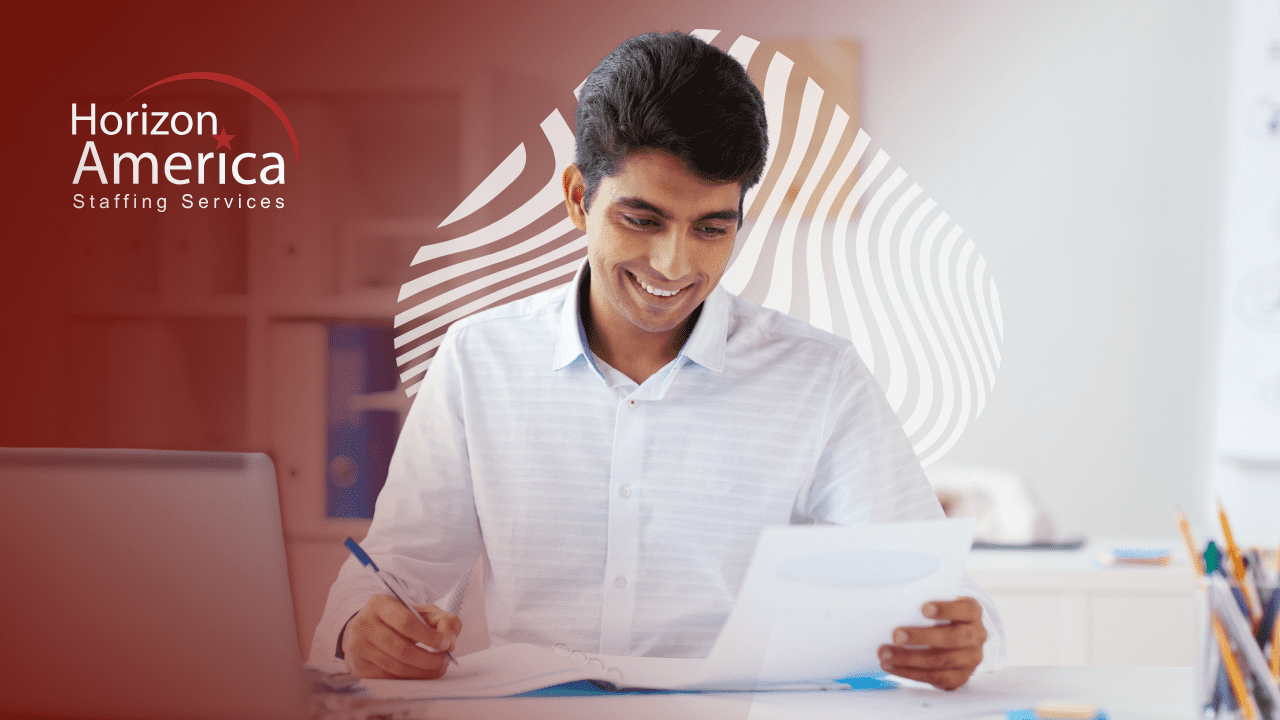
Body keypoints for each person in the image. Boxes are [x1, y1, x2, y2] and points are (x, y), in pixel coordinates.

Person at [311, 31, 1004, 691]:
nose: (675, 264)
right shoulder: (479, 360)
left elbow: (938, 593)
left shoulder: (819, 378)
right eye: (643, 220)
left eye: (711, 228)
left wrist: (957, 639)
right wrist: (361, 628)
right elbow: (389, 577)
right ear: (580, 199)